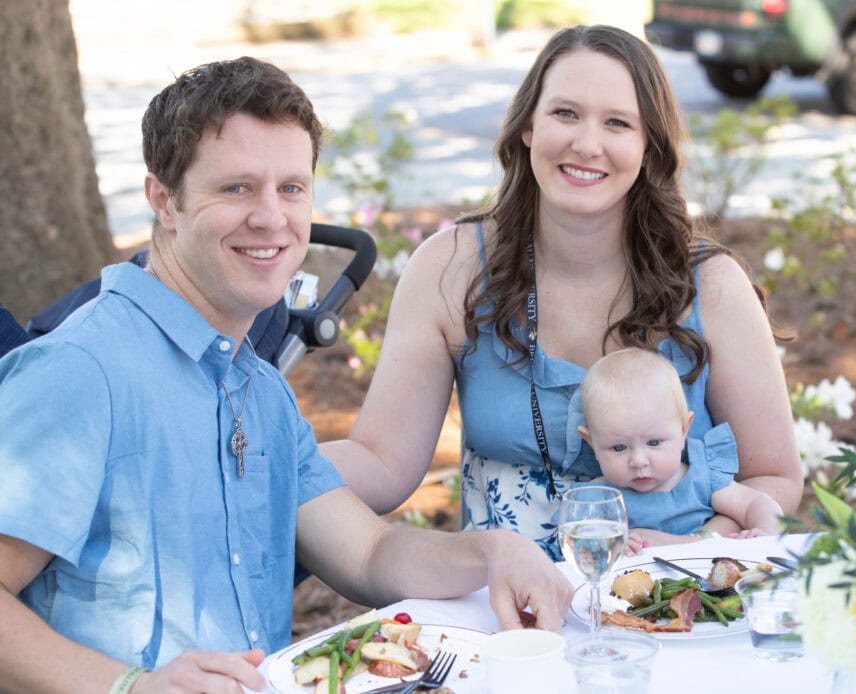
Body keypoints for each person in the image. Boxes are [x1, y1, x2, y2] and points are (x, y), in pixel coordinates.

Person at [0, 57, 571, 694]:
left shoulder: (258, 389)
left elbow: (368, 553)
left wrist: (494, 551)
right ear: (164, 200)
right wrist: (130, 686)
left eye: (292, 189)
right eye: (237, 188)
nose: (273, 218)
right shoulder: (81, 373)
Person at [322, 24, 803, 559]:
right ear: (528, 125)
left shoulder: (709, 285)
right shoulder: (452, 268)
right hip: (506, 611)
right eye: (565, 113)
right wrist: (268, 461)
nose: (586, 144)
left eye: (618, 123)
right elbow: (382, 461)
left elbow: (774, 476)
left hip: (676, 599)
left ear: (649, 145)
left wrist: (687, 550)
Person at [575, 348, 783, 555]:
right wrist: (609, 545)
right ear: (591, 442)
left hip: (709, 582)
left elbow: (756, 503)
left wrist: (763, 533)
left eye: (654, 442)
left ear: (683, 430)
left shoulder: (702, 477)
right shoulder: (598, 500)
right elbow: (580, 552)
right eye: (619, 448)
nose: (638, 461)